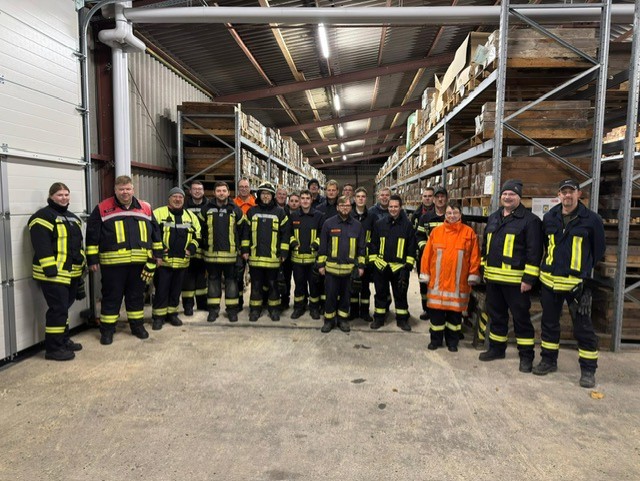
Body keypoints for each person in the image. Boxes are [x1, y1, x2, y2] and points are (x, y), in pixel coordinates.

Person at [533, 179, 605, 388]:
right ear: (559, 195)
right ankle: (548, 361)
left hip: (576, 285)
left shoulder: (592, 220)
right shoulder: (550, 217)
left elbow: (598, 250)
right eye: (563, 192)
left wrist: (582, 274)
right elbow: (546, 245)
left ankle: (588, 370)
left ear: (578, 194)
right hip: (549, 282)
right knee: (549, 325)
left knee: (583, 328)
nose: (567, 195)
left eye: (571, 192)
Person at [86, 175, 163, 345]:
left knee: (136, 296)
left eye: (128, 189)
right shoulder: (102, 208)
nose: (125, 192)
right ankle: (107, 330)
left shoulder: (145, 208)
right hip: (113, 265)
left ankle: (137, 326)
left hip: (139, 264)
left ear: (133, 189)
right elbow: (92, 235)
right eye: (121, 189)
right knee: (111, 297)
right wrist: (92, 259)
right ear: (115, 190)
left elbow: (156, 233)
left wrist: (158, 255)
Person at [478, 180, 543, 373]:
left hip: (516, 283)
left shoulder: (530, 221)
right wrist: (483, 270)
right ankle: (497, 349)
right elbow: (486, 246)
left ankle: (526, 356)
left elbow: (534, 252)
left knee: (521, 319)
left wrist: (529, 279)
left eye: (512, 194)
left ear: (519, 197)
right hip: (494, 280)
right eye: (504, 194)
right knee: (497, 316)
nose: (507, 197)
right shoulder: (494, 218)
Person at [29, 182, 85, 361]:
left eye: (66, 194)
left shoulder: (73, 218)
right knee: (58, 310)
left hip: (71, 273)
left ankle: (63, 340)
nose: (64, 198)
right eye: (60, 195)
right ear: (51, 196)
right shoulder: (42, 217)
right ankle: (53, 349)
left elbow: (78, 246)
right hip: (53, 274)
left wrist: (81, 268)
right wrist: (50, 270)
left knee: (63, 309)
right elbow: (41, 245)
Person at [420, 200, 481, 352]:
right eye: (449, 213)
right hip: (437, 284)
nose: (451, 215)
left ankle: (452, 342)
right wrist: (425, 274)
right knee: (436, 317)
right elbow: (426, 256)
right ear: (445, 215)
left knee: (455, 318)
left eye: (455, 213)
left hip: (458, 284)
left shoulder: (468, 233)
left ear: (460, 214)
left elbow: (474, 256)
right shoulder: (436, 232)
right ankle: (435, 340)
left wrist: (473, 274)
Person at [151, 187, 201, 330]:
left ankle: (172, 314)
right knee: (161, 290)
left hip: (182, 262)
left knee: (176, 291)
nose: (177, 199)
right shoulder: (158, 213)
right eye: (174, 197)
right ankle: (158, 317)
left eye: (180, 197)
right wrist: (160, 248)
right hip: (163, 263)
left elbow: (198, 235)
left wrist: (191, 248)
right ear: (169, 199)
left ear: (184, 199)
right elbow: (151, 233)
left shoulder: (190, 216)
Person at [317, 196, 365, 333]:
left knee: (346, 297)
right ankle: (329, 321)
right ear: (337, 207)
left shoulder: (357, 225)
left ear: (351, 207)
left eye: (347, 205)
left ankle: (343, 320)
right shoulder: (328, 223)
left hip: (349, 271)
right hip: (331, 270)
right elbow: (323, 246)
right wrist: (321, 265)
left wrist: (361, 266)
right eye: (342, 205)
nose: (345, 208)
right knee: (330, 297)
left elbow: (361, 248)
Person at [201, 181, 248, 323]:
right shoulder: (206, 209)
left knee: (231, 283)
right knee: (213, 282)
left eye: (224, 191)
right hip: (211, 255)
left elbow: (243, 231)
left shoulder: (235, 210)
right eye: (218, 191)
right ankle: (213, 310)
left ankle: (232, 310)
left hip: (231, 256)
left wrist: (243, 250)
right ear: (214, 193)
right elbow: (200, 230)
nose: (221, 193)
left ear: (228, 193)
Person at [242, 182, 290, 322]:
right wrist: (245, 250)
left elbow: (285, 234)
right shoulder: (252, 212)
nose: (265, 196)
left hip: (273, 258)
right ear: (259, 195)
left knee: (273, 285)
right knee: (256, 285)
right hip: (255, 257)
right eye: (263, 194)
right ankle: (255, 310)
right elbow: (246, 233)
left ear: (272, 196)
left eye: (268, 194)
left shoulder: (280, 212)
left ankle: (274, 309)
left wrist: (284, 253)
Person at [369, 195, 416, 331]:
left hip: (399, 268)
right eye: (391, 206)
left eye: (396, 206)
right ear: (387, 207)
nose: (393, 209)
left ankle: (402, 319)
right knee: (380, 294)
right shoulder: (379, 224)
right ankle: (379, 318)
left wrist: (407, 266)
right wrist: (373, 263)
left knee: (400, 295)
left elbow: (411, 246)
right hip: (381, 266)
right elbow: (373, 244)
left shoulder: (407, 225)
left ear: (400, 208)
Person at [289, 189, 325, 320]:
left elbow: (322, 234)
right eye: (302, 198)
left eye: (307, 198)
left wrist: (316, 244)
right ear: (299, 201)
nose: (305, 201)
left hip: (313, 260)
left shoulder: (319, 216)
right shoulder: (293, 216)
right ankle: (299, 307)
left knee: (314, 285)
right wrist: (293, 243)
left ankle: (314, 308)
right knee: (299, 285)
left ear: (311, 200)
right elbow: (288, 233)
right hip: (297, 259)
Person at [415, 186, 448, 321]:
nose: (440, 199)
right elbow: (419, 235)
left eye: (442, 197)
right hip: (428, 259)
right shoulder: (425, 218)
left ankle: (442, 310)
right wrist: (425, 249)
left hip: (446, 260)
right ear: (434, 200)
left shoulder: (452, 215)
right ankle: (427, 309)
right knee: (425, 285)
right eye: (437, 197)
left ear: (446, 199)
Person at [181, 181, 208, 316]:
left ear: (203, 191)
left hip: (203, 247)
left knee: (202, 277)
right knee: (188, 278)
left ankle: (202, 304)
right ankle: (188, 306)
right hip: (188, 247)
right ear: (190, 191)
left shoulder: (209, 207)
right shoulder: (184, 207)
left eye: (199, 189)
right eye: (194, 189)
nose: (197, 191)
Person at [349, 187, 374, 322]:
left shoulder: (372, 217)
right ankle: (353, 311)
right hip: (352, 257)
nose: (360, 199)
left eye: (363, 196)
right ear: (354, 198)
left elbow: (375, 238)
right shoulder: (349, 215)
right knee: (353, 285)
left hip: (367, 257)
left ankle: (364, 312)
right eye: (358, 196)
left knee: (365, 287)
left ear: (366, 199)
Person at [233, 177, 256, 311]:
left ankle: (255, 303)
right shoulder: (233, 204)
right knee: (237, 275)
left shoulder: (256, 204)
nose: (243, 189)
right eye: (241, 187)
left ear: (250, 188)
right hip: (237, 245)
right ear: (238, 188)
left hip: (254, 245)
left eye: (246, 187)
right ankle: (239, 303)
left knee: (256, 277)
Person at [279, 191, 300, 310]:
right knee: (286, 278)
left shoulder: (303, 214)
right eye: (292, 201)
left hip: (299, 252)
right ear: (288, 201)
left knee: (299, 279)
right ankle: (284, 300)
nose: (294, 203)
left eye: (296, 201)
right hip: (286, 252)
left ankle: (300, 301)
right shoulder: (283, 213)